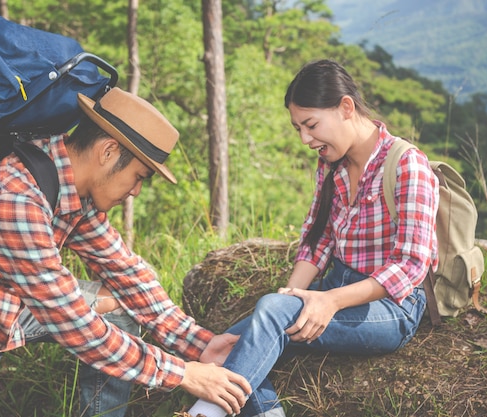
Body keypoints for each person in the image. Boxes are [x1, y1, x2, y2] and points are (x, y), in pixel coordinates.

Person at [0, 87, 251, 417]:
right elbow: (74, 323)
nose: (136, 191)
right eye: (139, 176)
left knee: (120, 306)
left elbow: (125, 271)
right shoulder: (13, 202)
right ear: (108, 151)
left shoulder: (64, 178)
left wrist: (199, 343)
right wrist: (182, 373)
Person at [182, 59, 439, 417]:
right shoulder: (331, 163)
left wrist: (329, 301)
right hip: (336, 284)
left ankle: (207, 413)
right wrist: (290, 295)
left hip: (391, 307)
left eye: (311, 125)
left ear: (346, 107)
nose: (305, 139)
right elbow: (318, 240)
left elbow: (411, 265)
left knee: (268, 319)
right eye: (298, 128)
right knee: (223, 346)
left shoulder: (407, 165)